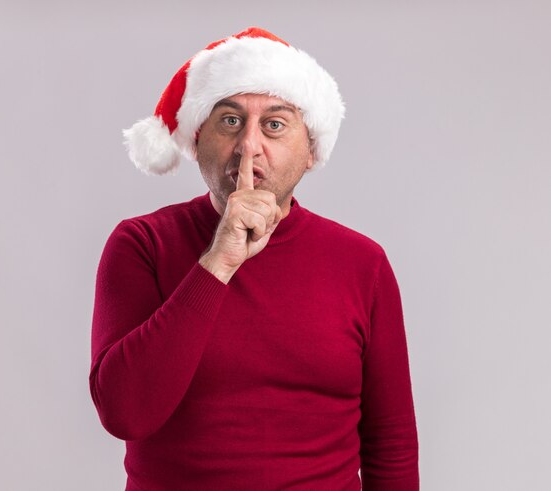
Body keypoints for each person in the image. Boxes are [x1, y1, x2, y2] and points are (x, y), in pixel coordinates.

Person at [89, 27, 419, 490]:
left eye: (275, 125)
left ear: (310, 150)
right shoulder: (142, 244)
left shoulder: (362, 263)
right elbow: (124, 413)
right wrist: (218, 262)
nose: (249, 145)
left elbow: (391, 443)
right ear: (197, 140)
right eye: (229, 121)